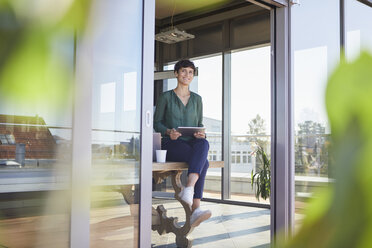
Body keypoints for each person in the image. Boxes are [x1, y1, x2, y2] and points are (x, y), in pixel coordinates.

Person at [153, 59, 211, 227]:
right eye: (184, 71)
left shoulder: (198, 99)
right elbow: (157, 123)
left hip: (192, 142)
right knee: (204, 162)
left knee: (204, 144)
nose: (187, 75)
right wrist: (169, 132)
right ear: (176, 74)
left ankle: (189, 189)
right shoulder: (166, 97)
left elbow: (199, 123)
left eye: (191, 72)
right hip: (172, 144)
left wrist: (201, 132)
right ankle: (196, 208)